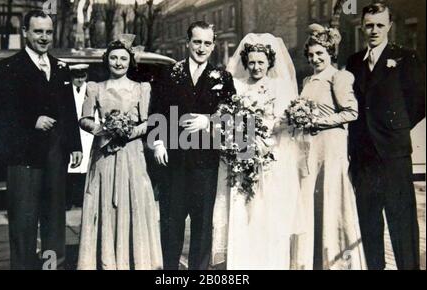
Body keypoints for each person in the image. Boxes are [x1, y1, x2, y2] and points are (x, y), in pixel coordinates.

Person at [0, 10, 83, 270]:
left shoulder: (61, 67)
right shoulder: (8, 68)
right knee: (24, 221)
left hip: (55, 154)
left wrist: (74, 145)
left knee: (54, 219)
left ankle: (53, 267)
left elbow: (68, 110)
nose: (44, 37)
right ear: (25, 33)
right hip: (23, 156)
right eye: (38, 31)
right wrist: (32, 121)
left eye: (48, 32)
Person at [211, 33, 302, 270]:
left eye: (261, 62)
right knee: (244, 208)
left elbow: (285, 121)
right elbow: (228, 119)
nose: (256, 67)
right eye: (251, 62)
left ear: (269, 62)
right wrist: (240, 140)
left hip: (270, 157)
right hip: (242, 155)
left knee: (268, 209)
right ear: (245, 62)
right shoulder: (238, 86)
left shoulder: (279, 87)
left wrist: (264, 137)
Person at [150, 21, 236, 270]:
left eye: (207, 43)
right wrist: (157, 143)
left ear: (213, 45)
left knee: (202, 225)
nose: (201, 47)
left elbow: (233, 122)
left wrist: (207, 121)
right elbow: (157, 112)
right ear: (187, 43)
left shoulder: (223, 78)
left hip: (205, 164)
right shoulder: (170, 74)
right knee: (171, 223)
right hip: (174, 162)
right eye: (197, 41)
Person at [347, 3, 425, 270]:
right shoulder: (354, 62)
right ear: (362, 26)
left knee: (402, 224)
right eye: (369, 25)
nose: (374, 30)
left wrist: (393, 129)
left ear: (389, 26)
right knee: (369, 225)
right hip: (364, 159)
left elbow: (418, 102)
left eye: (380, 25)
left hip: (393, 155)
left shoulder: (406, 57)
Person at [77, 38, 162, 270]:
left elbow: (147, 122)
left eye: (123, 58)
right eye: (114, 57)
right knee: (103, 200)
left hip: (131, 153)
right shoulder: (95, 87)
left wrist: (128, 132)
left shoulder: (141, 88)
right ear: (107, 60)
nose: (118, 62)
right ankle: (104, 260)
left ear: (130, 61)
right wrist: (103, 130)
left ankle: (133, 260)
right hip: (104, 154)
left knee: (132, 199)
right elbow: (84, 119)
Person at [295, 24, 367, 270]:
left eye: (320, 55)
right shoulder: (307, 79)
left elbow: (352, 112)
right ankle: (315, 261)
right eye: (312, 55)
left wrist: (318, 120)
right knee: (312, 201)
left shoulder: (339, 76)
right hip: (311, 147)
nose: (315, 59)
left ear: (330, 54)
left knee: (332, 199)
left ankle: (336, 263)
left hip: (331, 146)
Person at [67, 64, 94, 209]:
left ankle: (80, 199)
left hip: (87, 132)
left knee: (85, 168)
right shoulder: (65, 89)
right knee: (70, 168)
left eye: (82, 76)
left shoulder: (90, 89)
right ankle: (68, 199)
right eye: (76, 76)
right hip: (72, 131)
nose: (79, 79)